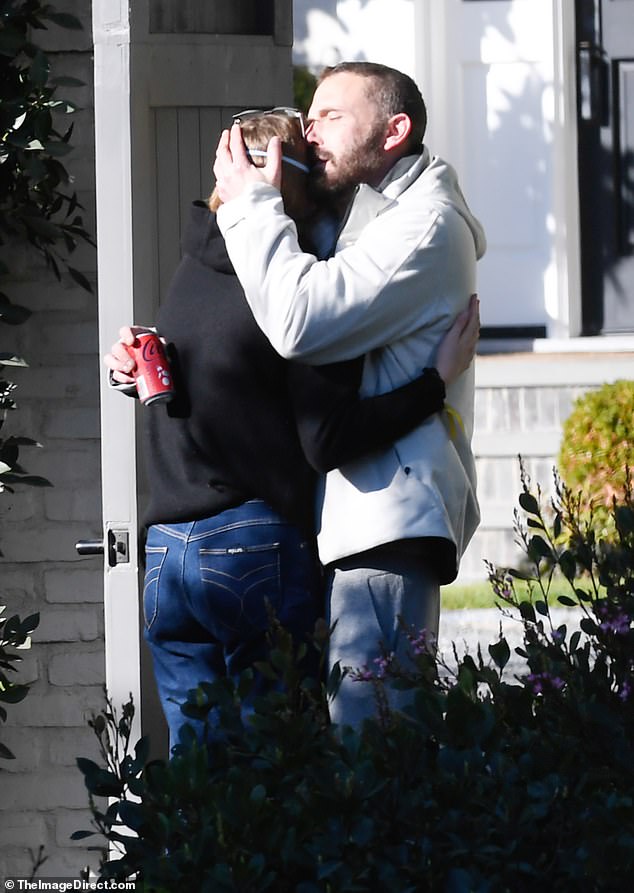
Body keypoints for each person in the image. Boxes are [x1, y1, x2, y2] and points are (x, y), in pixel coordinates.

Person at [105, 111, 480, 747]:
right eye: (313, 157)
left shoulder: (191, 265)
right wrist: (433, 384)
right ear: (282, 177)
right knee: (276, 771)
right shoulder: (294, 283)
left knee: (197, 774)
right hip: (249, 542)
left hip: (165, 549)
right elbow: (326, 437)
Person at [212, 62, 487, 726]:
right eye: (310, 115)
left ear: (395, 130)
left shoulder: (421, 226)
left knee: (376, 748)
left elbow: (301, 320)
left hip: (385, 523)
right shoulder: (374, 213)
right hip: (366, 517)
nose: (311, 129)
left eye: (332, 114)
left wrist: (251, 203)